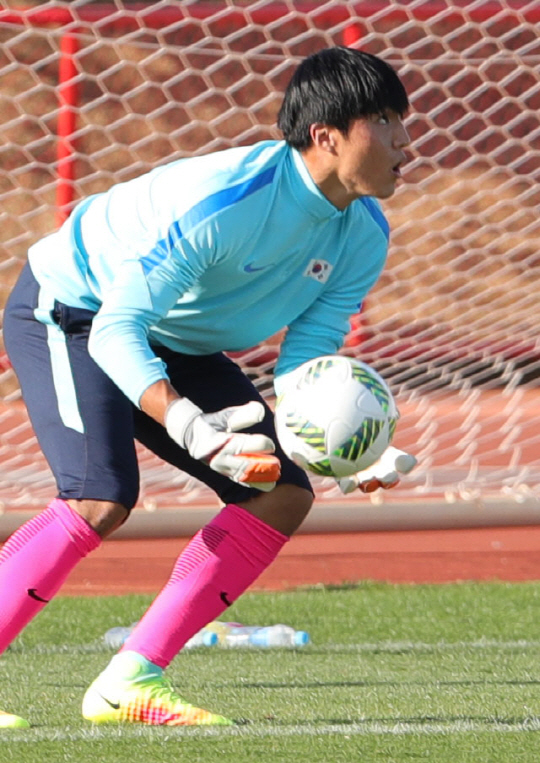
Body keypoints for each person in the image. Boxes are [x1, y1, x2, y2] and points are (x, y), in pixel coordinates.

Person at [0, 46, 416, 728]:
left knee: (280, 492)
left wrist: (346, 446)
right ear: (326, 135)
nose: (405, 139)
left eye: (403, 118)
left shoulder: (365, 232)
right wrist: (189, 422)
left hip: (174, 340)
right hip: (73, 310)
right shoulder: (227, 204)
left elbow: (305, 360)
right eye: (384, 118)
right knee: (99, 495)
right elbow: (116, 328)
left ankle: (128, 681)